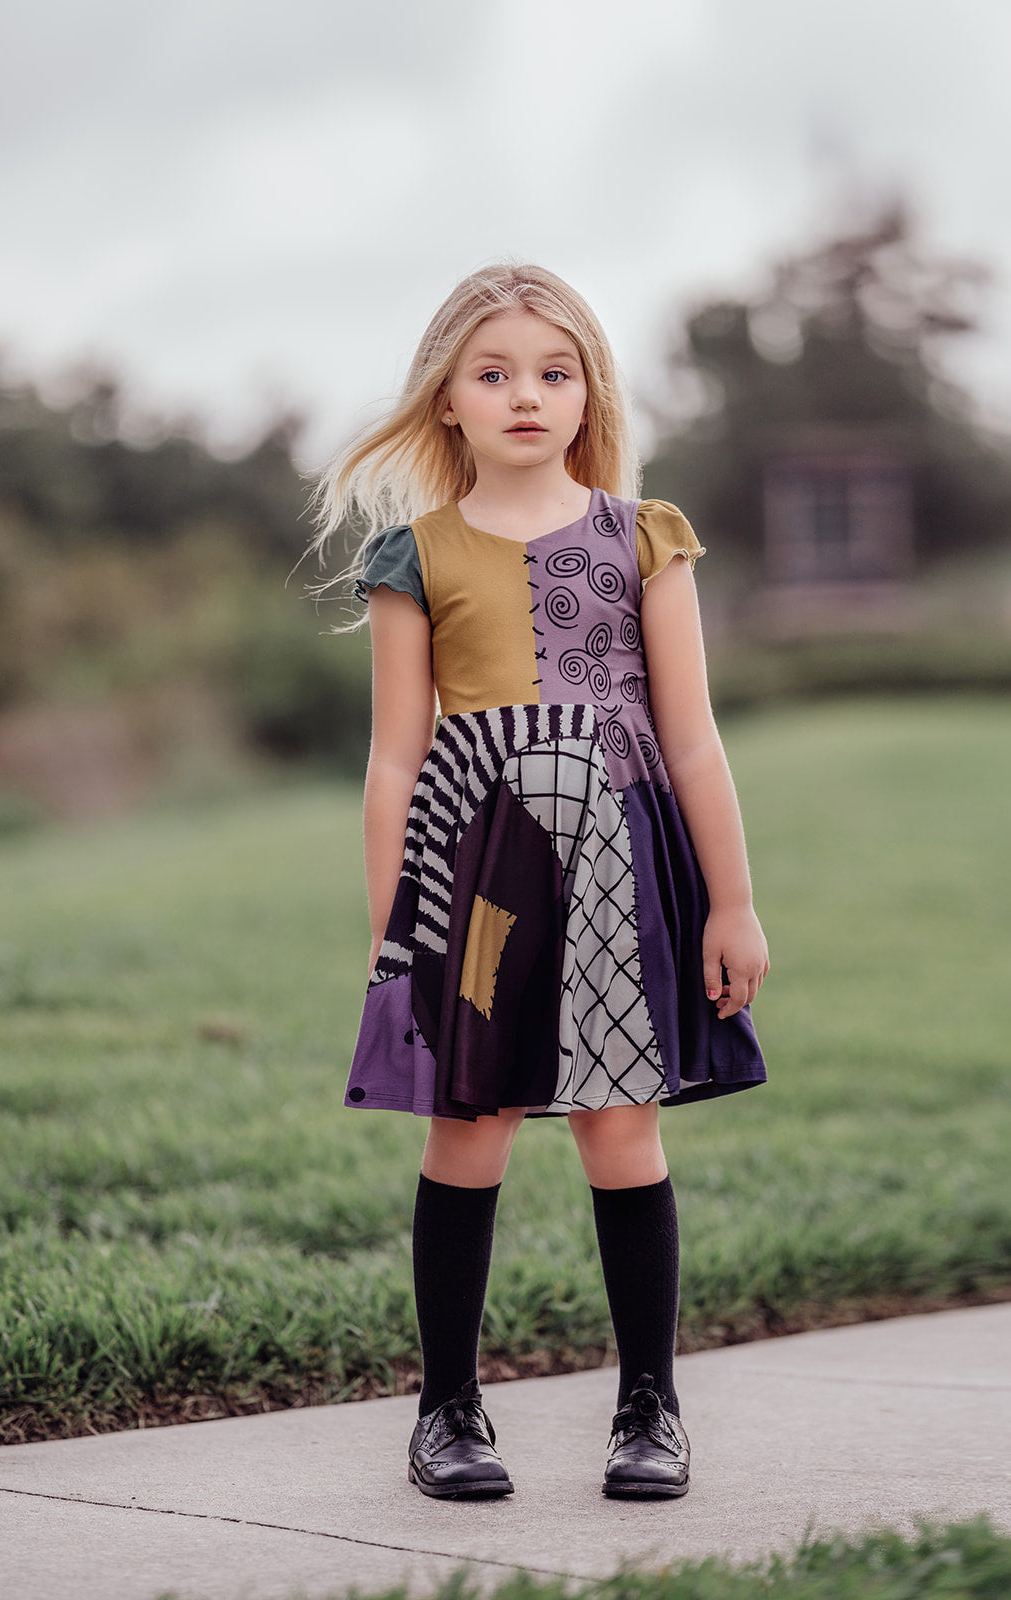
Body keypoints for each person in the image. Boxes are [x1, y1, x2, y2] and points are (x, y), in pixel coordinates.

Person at [310, 262, 768, 1502]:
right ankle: (446, 1412)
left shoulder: (642, 536)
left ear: (587, 393)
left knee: (621, 1128)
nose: (526, 394)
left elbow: (691, 738)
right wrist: (391, 930)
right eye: (494, 372)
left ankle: (648, 1410)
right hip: (478, 873)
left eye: (552, 372)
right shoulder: (412, 555)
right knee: (471, 1125)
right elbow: (395, 754)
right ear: (446, 399)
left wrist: (729, 900)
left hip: (623, 856)